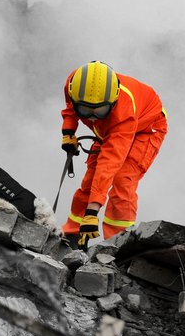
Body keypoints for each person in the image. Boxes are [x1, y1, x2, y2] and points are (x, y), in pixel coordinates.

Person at [61, 61, 167, 247]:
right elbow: (71, 107)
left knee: (122, 182)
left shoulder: (123, 112)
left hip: (145, 128)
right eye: (86, 110)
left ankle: (117, 245)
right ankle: (73, 234)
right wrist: (68, 132)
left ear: (113, 100)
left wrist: (93, 211)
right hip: (106, 127)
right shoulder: (73, 85)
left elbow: (110, 162)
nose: (92, 116)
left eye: (99, 110)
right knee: (90, 181)